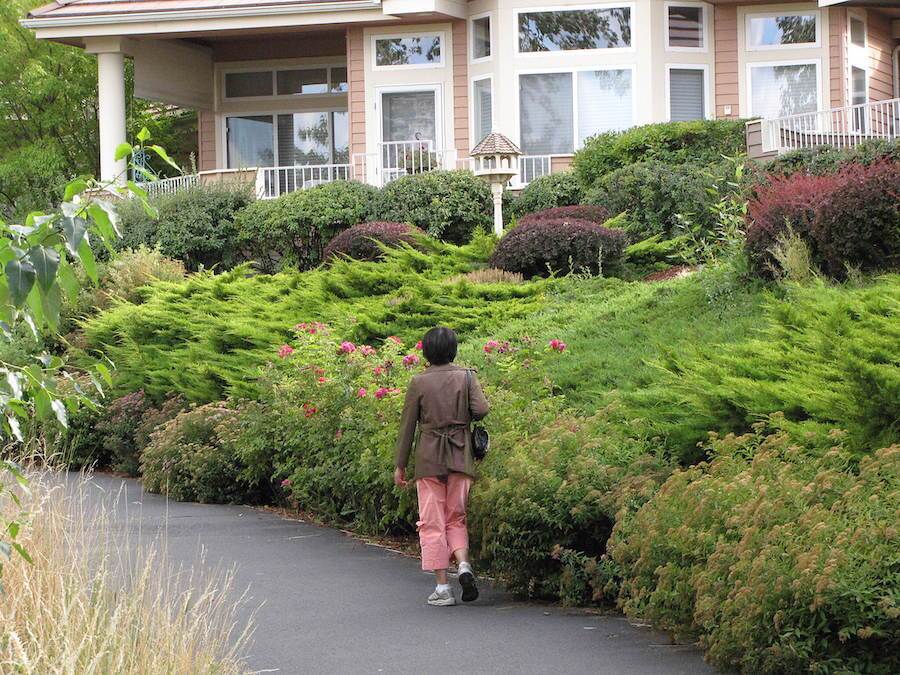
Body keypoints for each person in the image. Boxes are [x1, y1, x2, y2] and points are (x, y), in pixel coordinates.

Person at [394, 326, 490, 607]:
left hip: (428, 460)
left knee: (432, 522)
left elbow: (407, 429)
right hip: (461, 457)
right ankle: (463, 564)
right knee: (456, 518)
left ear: (426, 351)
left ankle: (443, 588)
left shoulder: (418, 382)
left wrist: (400, 465)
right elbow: (482, 410)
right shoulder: (467, 376)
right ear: (453, 350)